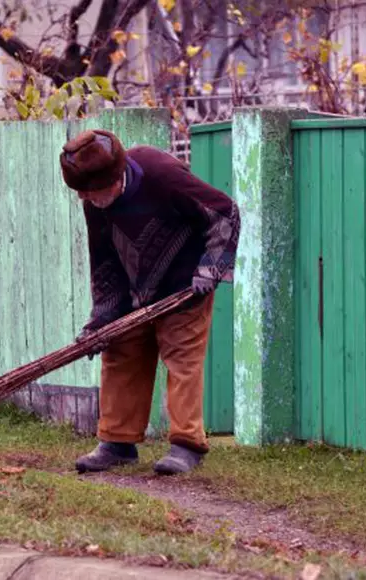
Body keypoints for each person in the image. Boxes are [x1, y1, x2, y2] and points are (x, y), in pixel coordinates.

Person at [59, 129, 240, 475]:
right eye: (81, 191)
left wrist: (210, 268)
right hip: (133, 288)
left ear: (114, 178)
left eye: (91, 191)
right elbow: (104, 261)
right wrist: (101, 320)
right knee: (119, 352)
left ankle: (186, 446)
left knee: (182, 358)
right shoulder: (95, 203)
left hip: (188, 283)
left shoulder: (161, 174)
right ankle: (116, 443)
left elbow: (224, 213)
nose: (85, 197)